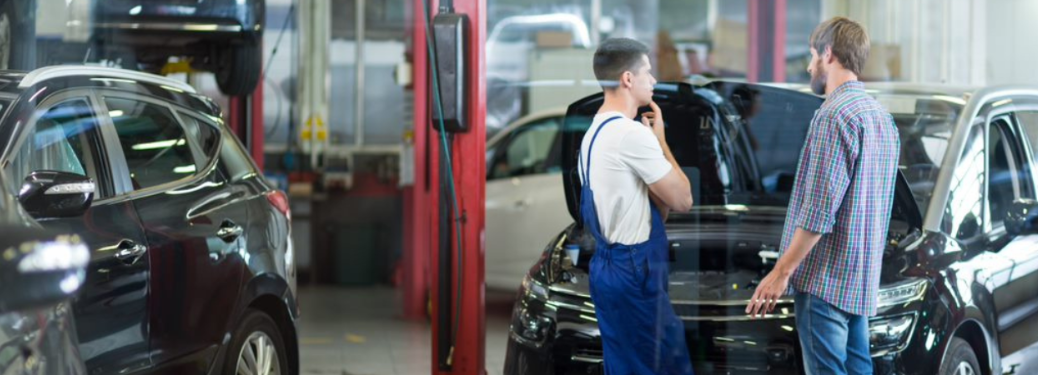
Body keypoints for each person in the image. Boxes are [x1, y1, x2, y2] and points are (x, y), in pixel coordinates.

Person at [745, 17, 900, 375]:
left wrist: (781, 272)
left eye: (813, 56)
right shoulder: (882, 118)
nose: (809, 66)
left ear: (828, 53)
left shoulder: (833, 116)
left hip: (825, 283)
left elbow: (819, 211)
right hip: (859, 281)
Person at [580, 37, 695, 375]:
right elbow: (683, 200)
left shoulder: (593, 133)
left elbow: (657, 210)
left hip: (608, 266)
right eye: (648, 72)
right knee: (665, 366)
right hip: (634, 271)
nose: (654, 80)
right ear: (628, 79)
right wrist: (661, 141)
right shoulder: (631, 135)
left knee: (625, 365)